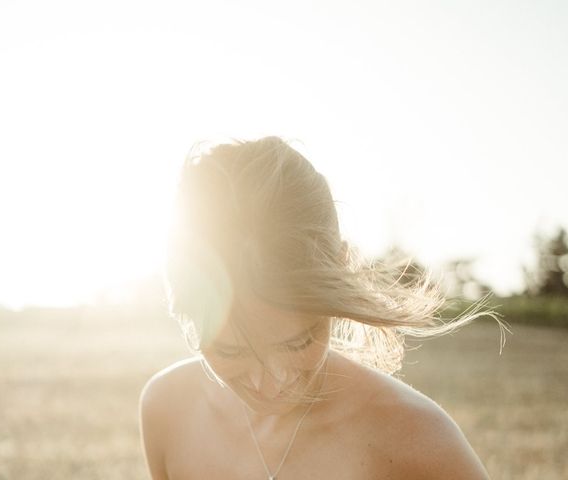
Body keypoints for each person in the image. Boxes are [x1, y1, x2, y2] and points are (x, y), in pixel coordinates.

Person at [139, 136, 503, 479]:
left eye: (296, 343)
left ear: (340, 272)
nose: (269, 383)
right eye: (229, 350)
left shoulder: (418, 437)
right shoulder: (167, 410)